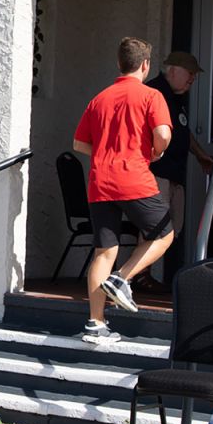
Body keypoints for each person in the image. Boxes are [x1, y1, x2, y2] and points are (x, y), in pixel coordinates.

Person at [72, 37, 175, 344]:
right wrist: (156, 151)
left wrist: (106, 154)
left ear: (119, 64)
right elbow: (163, 134)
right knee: (164, 232)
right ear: (145, 65)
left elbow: (78, 143)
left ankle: (95, 322)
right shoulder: (150, 95)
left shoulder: (99, 98)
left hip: (100, 181)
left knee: (104, 251)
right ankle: (122, 278)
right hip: (133, 177)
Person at [140, 51, 213, 289]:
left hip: (174, 173)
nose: (192, 79)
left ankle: (141, 275)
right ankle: (138, 277)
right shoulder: (153, 92)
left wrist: (202, 155)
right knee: (153, 225)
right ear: (172, 70)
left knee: (172, 228)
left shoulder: (175, 97)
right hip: (155, 172)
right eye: (190, 73)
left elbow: (183, 132)